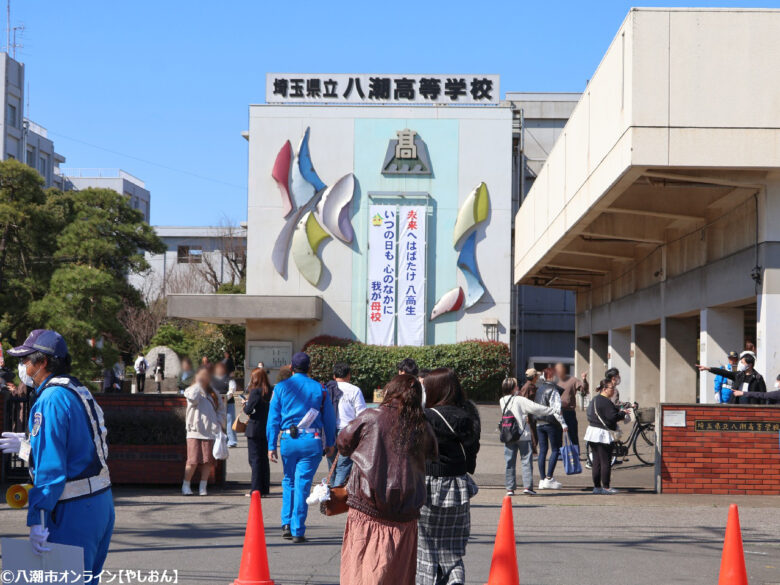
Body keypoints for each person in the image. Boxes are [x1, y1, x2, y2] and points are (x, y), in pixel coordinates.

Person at [0, 330, 114, 574]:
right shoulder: (77, 389)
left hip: (72, 510)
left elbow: (51, 469)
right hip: (100, 503)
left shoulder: (50, 398)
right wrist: (31, 446)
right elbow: (79, 447)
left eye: (25, 360)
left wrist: (37, 519)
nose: (22, 367)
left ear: (43, 363)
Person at [337, 374, 437, 585]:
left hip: (368, 507)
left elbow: (343, 443)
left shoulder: (371, 416)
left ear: (390, 392)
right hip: (406, 513)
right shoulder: (422, 426)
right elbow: (433, 453)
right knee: (397, 575)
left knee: (362, 573)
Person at [417, 368, 480, 585]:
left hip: (428, 487)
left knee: (426, 549)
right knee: (452, 550)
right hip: (458, 487)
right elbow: (472, 453)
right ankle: (455, 580)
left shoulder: (426, 416)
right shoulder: (469, 415)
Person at [267, 352, 337, 543]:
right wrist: (330, 442)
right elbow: (329, 419)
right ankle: (298, 529)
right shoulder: (319, 388)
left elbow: (273, 418)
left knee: (288, 480)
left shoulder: (280, 388)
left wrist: (271, 444)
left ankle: (286, 523)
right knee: (302, 483)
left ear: (291, 367)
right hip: (311, 439)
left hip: (289, 440)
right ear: (310, 368)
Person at [499, 377, 558, 496]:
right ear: (513, 388)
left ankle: (510, 488)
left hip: (509, 435)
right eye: (516, 385)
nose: (518, 387)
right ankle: (527, 486)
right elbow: (536, 408)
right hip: (523, 435)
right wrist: (552, 410)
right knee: (526, 461)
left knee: (509, 462)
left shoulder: (502, 400)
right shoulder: (520, 400)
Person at [584, 370, 630, 494]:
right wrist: (622, 413)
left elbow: (589, 414)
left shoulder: (595, 399)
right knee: (605, 461)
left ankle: (597, 487)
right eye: (611, 388)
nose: (613, 390)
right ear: (604, 389)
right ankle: (606, 487)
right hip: (603, 434)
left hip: (592, 432)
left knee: (596, 462)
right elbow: (612, 417)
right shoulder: (606, 401)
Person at [183, 366, 226, 496]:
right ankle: (186, 485)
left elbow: (221, 410)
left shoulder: (214, 393)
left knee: (208, 461)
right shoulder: (191, 390)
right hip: (194, 430)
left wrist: (217, 423)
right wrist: (198, 383)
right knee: (193, 460)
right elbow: (193, 399)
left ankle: (203, 486)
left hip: (210, 431)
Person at [326, 362, 367, 486]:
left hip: (329, 430)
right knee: (343, 466)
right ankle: (337, 495)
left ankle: (331, 496)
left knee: (331, 465)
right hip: (348, 431)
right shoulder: (355, 390)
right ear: (348, 375)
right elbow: (361, 414)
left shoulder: (327, 389)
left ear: (334, 376)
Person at [533, 374, 568, 490]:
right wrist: (563, 424)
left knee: (542, 450)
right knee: (555, 449)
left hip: (539, 423)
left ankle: (542, 479)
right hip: (551, 423)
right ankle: (549, 478)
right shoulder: (553, 390)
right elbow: (557, 409)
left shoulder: (540, 389)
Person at [242, 367, 272, 495]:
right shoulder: (269, 391)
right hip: (265, 427)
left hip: (254, 428)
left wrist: (245, 403)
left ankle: (255, 488)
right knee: (263, 459)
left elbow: (248, 410)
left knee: (254, 460)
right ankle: (264, 488)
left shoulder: (255, 392)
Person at [697, 354, 767, 404]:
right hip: (737, 404)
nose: (740, 364)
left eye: (742, 363)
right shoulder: (738, 375)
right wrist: (708, 368)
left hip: (751, 407)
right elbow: (723, 372)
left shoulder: (758, 378)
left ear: (750, 365)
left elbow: (763, 395)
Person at [554, 363, 588, 448]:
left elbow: (584, 391)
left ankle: (575, 453)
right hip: (557, 411)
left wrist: (584, 379)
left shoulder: (574, 380)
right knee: (557, 434)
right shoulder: (555, 381)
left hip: (569, 411)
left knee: (572, 433)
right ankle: (559, 453)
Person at [212, 361, 239, 448]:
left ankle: (232, 441)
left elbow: (232, 389)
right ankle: (218, 439)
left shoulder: (229, 379)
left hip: (229, 403)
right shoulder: (212, 379)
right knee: (217, 421)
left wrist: (225, 398)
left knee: (230, 421)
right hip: (215, 403)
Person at [518, 368, 540, 453]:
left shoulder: (531, 386)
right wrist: (526, 415)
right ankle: (532, 453)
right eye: (537, 375)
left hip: (532, 413)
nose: (538, 377)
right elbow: (523, 401)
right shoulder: (528, 387)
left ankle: (531, 452)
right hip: (529, 414)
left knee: (533, 433)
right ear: (534, 376)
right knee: (532, 434)